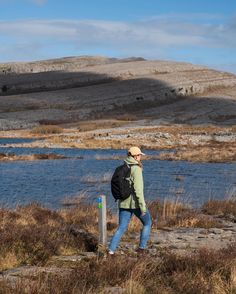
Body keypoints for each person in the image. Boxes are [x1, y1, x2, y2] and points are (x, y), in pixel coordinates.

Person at [108, 146, 152, 255]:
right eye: (140, 155)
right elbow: (138, 190)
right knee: (147, 223)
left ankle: (111, 252)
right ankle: (141, 249)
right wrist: (142, 207)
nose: (141, 157)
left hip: (123, 203)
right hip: (135, 204)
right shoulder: (136, 169)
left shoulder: (124, 166)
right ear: (136, 156)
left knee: (121, 228)